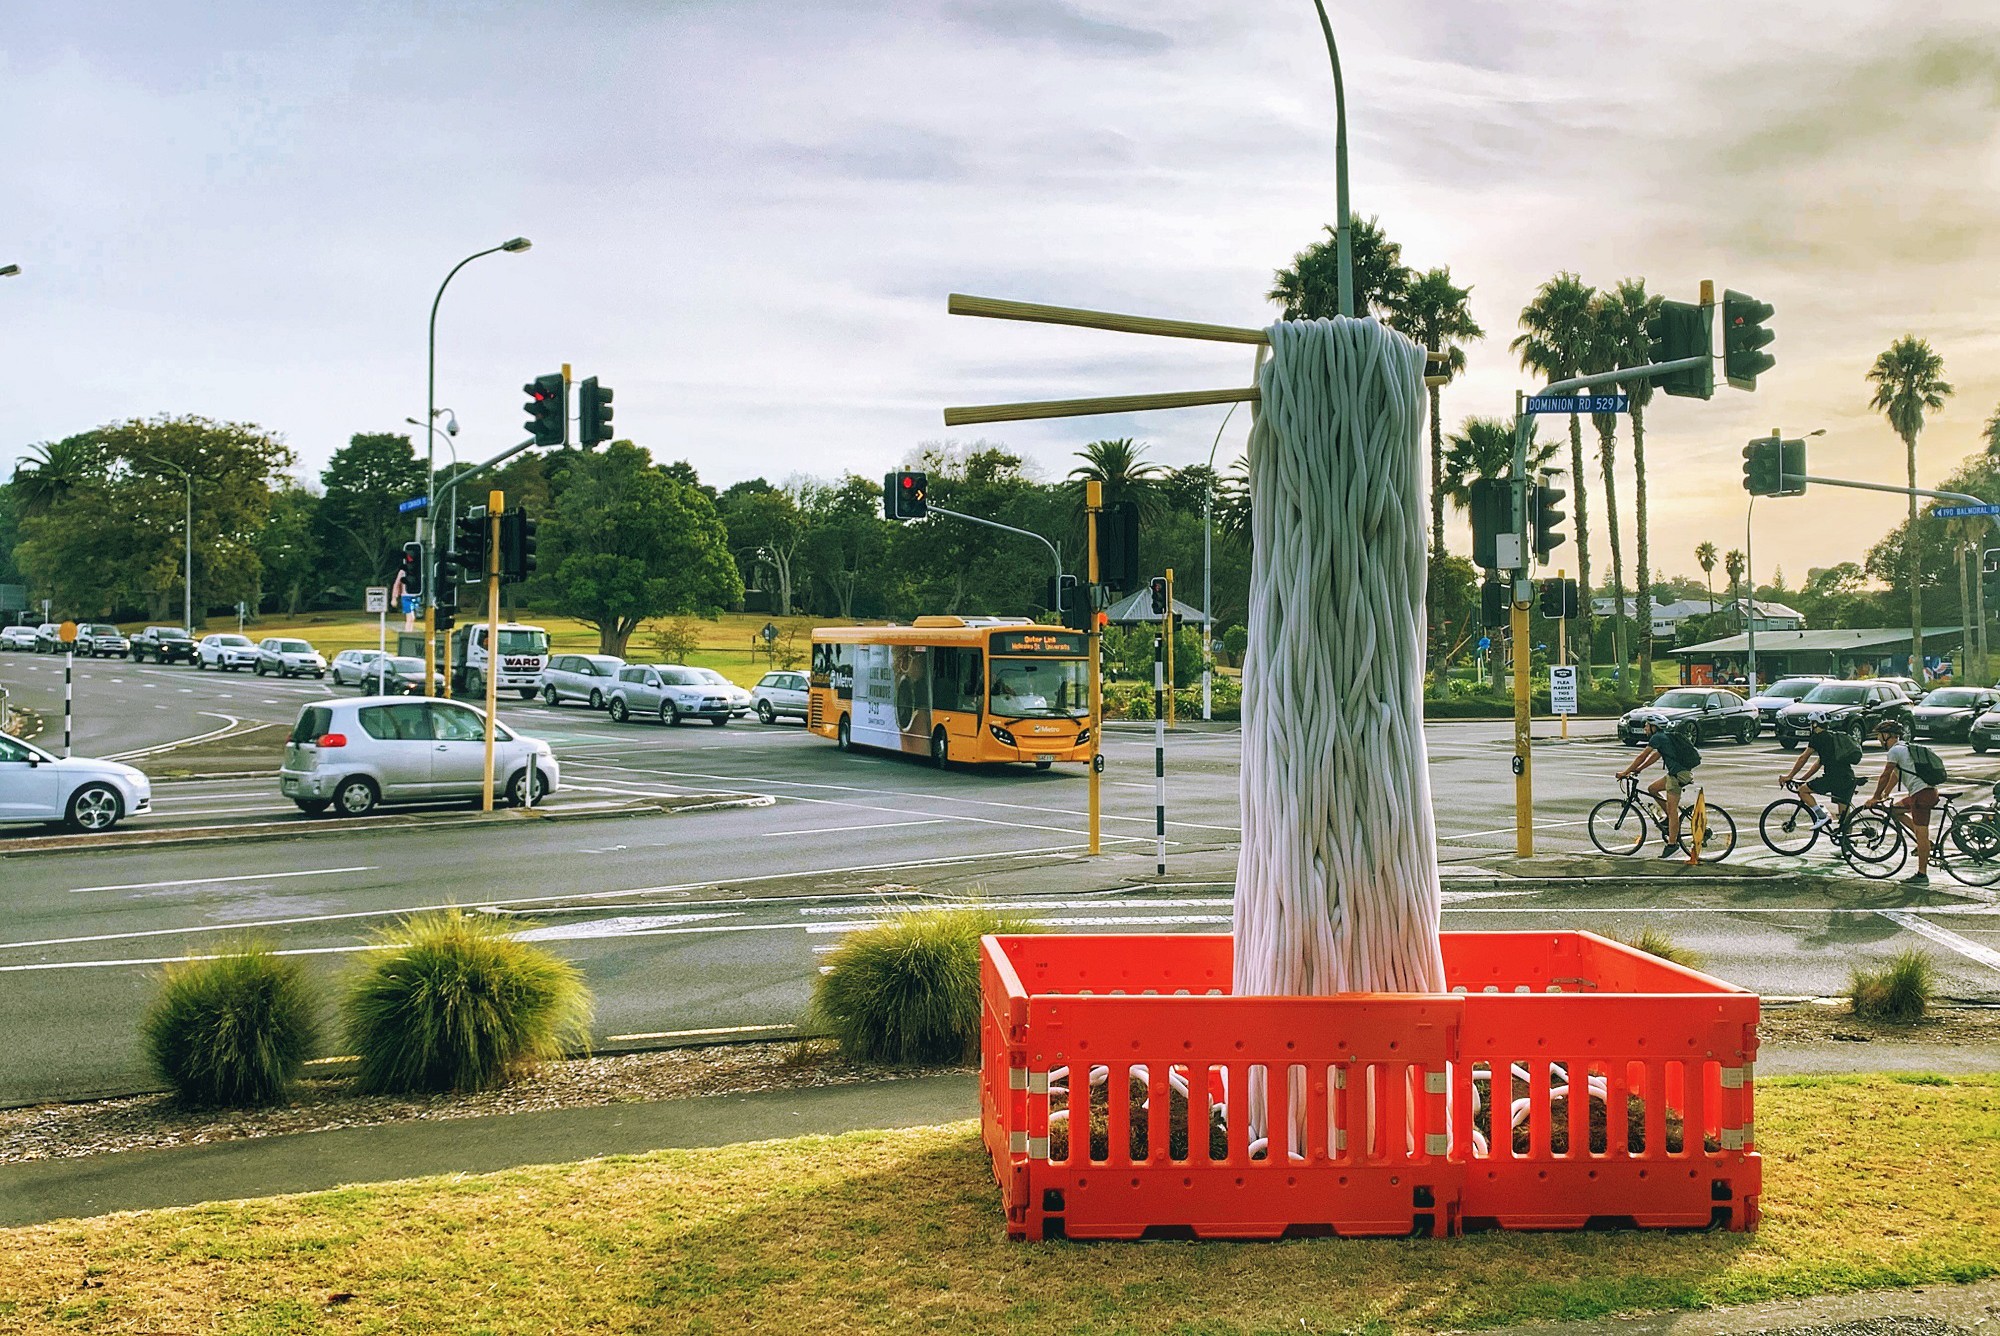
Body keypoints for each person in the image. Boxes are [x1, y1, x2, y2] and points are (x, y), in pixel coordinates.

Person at [1616, 718, 1701, 857]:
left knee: (1673, 811)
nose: (1645, 728)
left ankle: (1672, 845)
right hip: (1677, 773)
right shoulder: (1665, 736)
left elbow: (1642, 756)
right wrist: (1638, 770)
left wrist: (1625, 772)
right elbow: (1655, 756)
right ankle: (1669, 818)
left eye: (1647, 726)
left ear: (1654, 727)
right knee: (1652, 789)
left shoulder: (1657, 738)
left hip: (1678, 776)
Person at [1867, 719, 1935, 886]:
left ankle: (1921, 875)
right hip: (1924, 793)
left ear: (1887, 736)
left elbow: (1885, 774)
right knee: (1895, 810)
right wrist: (1885, 794)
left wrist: (1875, 796)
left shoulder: (1894, 751)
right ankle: (1927, 844)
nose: (1878, 739)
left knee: (1921, 834)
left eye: (1879, 736)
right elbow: (1896, 774)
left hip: (1921, 796)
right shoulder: (1905, 747)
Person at [1780, 713, 1861, 832]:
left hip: (1833, 778)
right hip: (1847, 777)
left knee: (1802, 791)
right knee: (1844, 814)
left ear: (1815, 723)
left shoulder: (1817, 737)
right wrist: (1803, 778)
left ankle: (1821, 816)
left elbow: (1803, 757)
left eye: (1811, 723)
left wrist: (1789, 776)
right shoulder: (1832, 737)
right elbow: (1818, 763)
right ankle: (1847, 845)